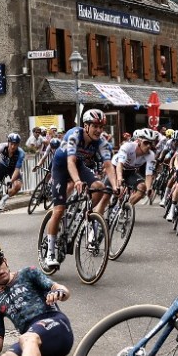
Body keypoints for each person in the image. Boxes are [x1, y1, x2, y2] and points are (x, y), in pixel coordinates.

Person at [43, 109, 116, 269]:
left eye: (101, 126)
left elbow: (108, 166)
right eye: (95, 126)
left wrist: (116, 186)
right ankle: (50, 253)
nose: (98, 130)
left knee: (99, 187)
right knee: (59, 210)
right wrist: (76, 180)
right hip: (61, 167)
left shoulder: (101, 142)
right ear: (86, 125)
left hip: (79, 166)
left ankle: (86, 216)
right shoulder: (74, 135)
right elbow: (70, 161)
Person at [112, 127, 159, 208]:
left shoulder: (150, 155)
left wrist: (148, 189)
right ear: (139, 141)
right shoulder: (128, 147)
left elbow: (148, 175)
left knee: (142, 187)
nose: (148, 146)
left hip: (130, 171)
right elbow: (120, 164)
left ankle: (125, 207)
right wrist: (119, 179)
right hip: (116, 168)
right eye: (146, 142)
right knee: (114, 190)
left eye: (151, 144)